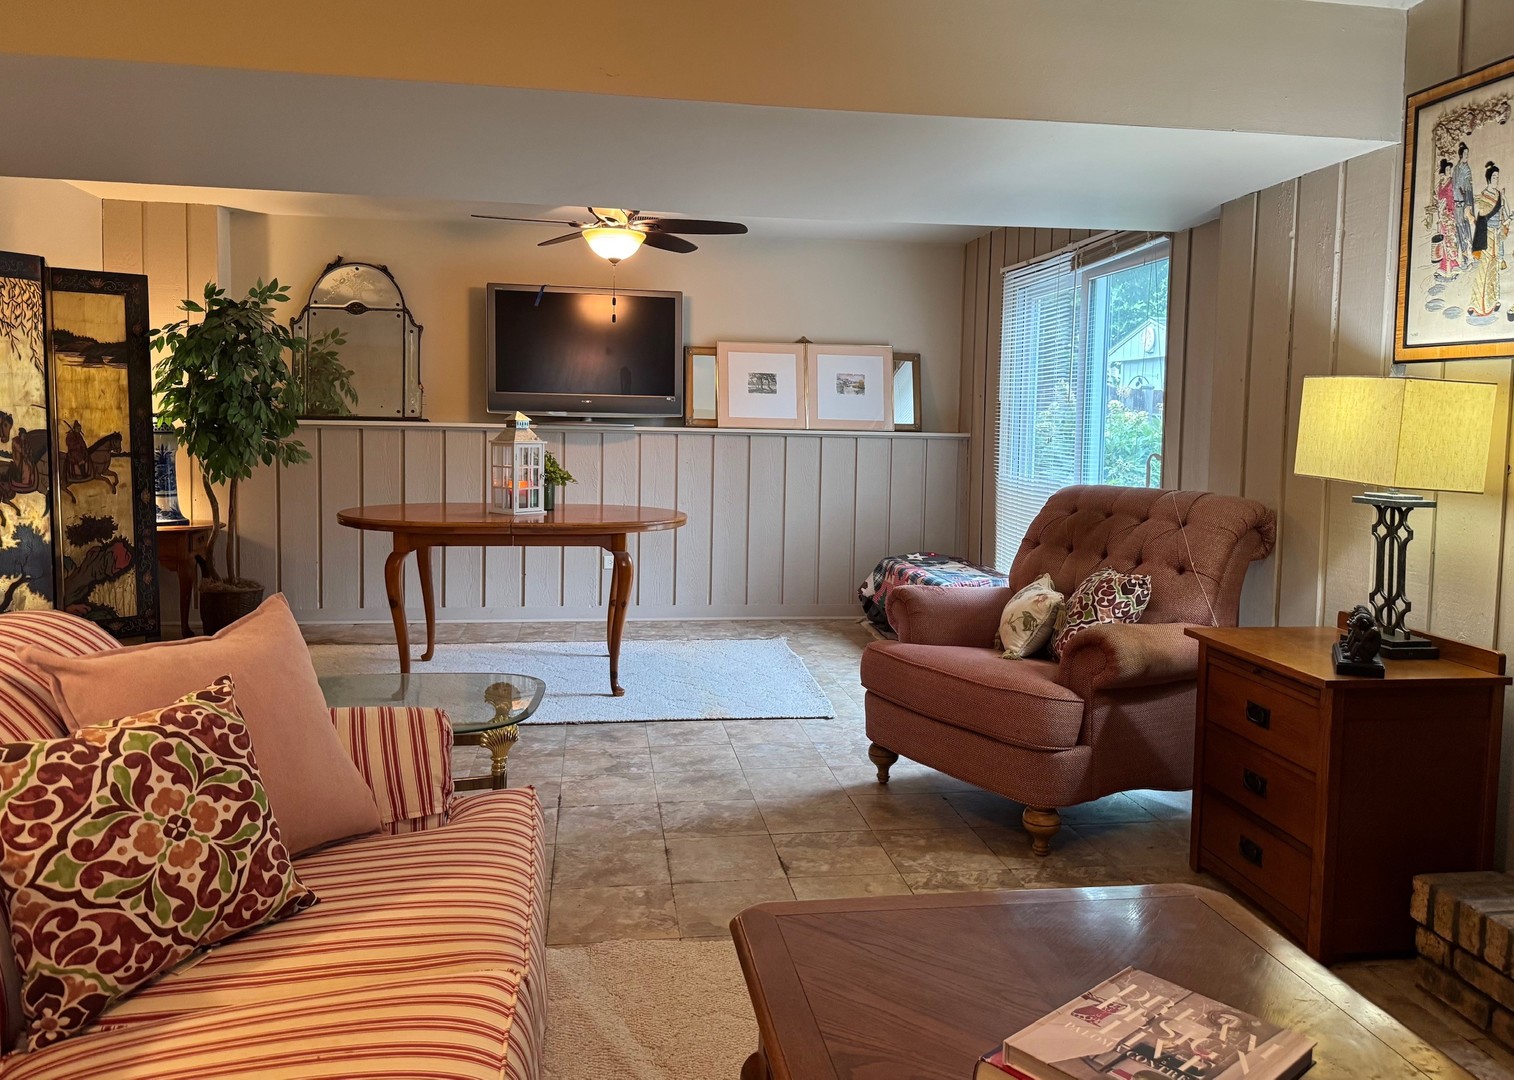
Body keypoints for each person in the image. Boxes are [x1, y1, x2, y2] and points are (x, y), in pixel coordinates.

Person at [1468, 161, 1508, 317]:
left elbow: (1502, 214)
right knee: (1484, 269)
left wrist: (1504, 224)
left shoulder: (1498, 194)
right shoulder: (1484, 195)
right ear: (1489, 178)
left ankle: (1494, 301)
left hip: (1496, 234)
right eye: (1494, 177)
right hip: (1487, 234)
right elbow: (1483, 218)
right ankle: (1477, 304)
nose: (1496, 179)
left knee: (1494, 268)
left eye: (1498, 177)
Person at [1435, 158, 1462, 274]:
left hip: (1450, 214)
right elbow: (1438, 198)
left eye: (1449, 170)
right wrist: (1439, 206)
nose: (1449, 172)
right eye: (1447, 170)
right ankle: (1443, 266)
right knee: (1443, 239)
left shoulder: (1452, 183)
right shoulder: (1440, 185)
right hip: (1442, 215)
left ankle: (1454, 264)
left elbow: (1456, 197)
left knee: (1451, 238)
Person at [1455, 142, 1477, 263]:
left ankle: (1469, 254)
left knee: (1467, 226)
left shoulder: (1467, 168)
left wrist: (1468, 204)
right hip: (1458, 201)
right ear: (1460, 154)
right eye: (1465, 153)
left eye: (1467, 153)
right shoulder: (1456, 169)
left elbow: (1468, 187)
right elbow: (1455, 185)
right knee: (1460, 226)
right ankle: (1463, 256)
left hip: (1466, 201)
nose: (1466, 155)